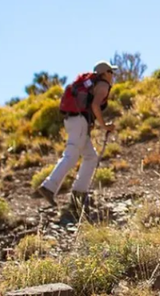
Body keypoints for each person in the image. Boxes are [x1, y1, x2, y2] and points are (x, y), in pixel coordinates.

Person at [37, 61, 116, 212]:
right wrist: (104, 125)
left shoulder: (89, 84)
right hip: (79, 122)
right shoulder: (103, 85)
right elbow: (95, 106)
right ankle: (49, 187)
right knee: (71, 155)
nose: (112, 75)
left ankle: (78, 196)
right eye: (111, 72)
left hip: (73, 121)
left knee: (90, 157)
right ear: (105, 73)